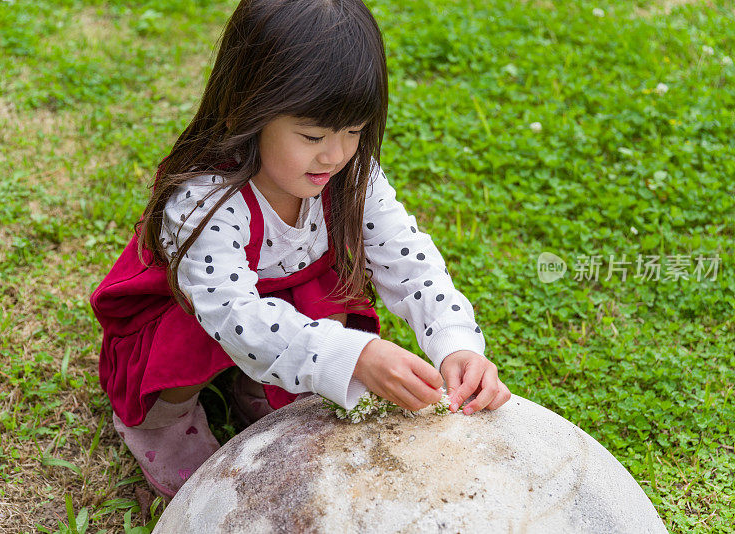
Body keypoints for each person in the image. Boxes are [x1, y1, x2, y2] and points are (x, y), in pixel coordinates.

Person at [89, 0, 511, 500]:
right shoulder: (206, 197)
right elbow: (231, 314)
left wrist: (456, 342)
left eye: (353, 132)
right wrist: (355, 358)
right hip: (196, 313)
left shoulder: (350, 176)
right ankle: (162, 419)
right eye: (312, 135)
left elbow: (407, 257)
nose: (334, 154)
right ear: (244, 110)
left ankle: (257, 386)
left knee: (327, 305)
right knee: (190, 336)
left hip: (285, 302)